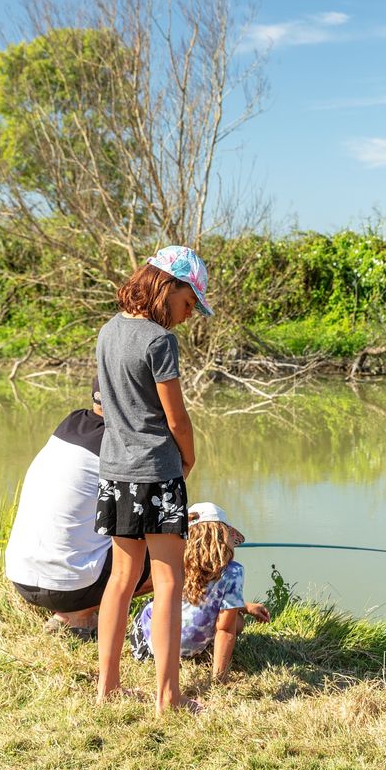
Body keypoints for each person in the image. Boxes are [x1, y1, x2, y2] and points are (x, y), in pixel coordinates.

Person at [94, 245, 213, 715]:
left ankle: (107, 687)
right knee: (168, 580)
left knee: (121, 579)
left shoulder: (107, 332)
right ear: (170, 286)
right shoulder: (159, 341)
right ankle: (169, 696)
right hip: (158, 474)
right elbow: (176, 416)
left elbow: (102, 403)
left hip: (116, 473)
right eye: (188, 304)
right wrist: (189, 457)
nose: (187, 316)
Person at [4, 377, 151, 638]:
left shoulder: (71, 423)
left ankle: (71, 613)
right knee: (179, 551)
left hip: (20, 577)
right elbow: (142, 521)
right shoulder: (120, 445)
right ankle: (78, 616)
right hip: (69, 587)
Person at [129, 502, 271, 683]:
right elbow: (225, 629)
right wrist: (219, 678)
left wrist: (245, 606)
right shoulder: (233, 572)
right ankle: (202, 654)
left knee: (153, 604)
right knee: (236, 622)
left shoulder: (174, 561)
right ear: (226, 537)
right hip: (192, 646)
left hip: (151, 647)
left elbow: (195, 598)